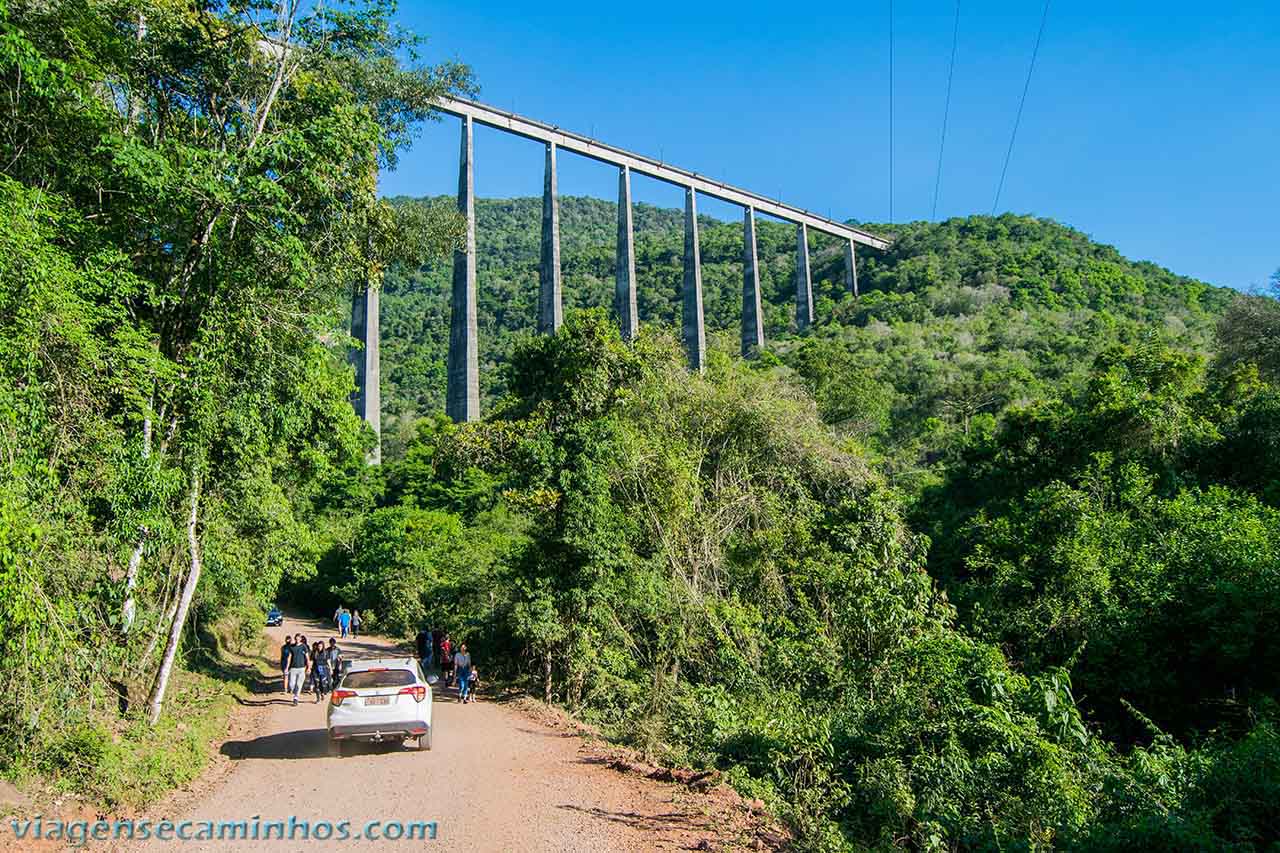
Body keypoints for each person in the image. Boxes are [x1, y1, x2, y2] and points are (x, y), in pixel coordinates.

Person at [286, 636, 310, 705]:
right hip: (293, 668)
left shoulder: (303, 646)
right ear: (295, 639)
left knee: (299, 684)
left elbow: (307, 657)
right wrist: (287, 667)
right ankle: (294, 692)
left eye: (298, 639)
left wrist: (308, 667)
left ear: (300, 639)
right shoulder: (292, 647)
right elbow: (289, 657)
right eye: (296, 639)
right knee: (291, 684)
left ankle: (296, 698)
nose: (297, 640)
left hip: (301, 668)